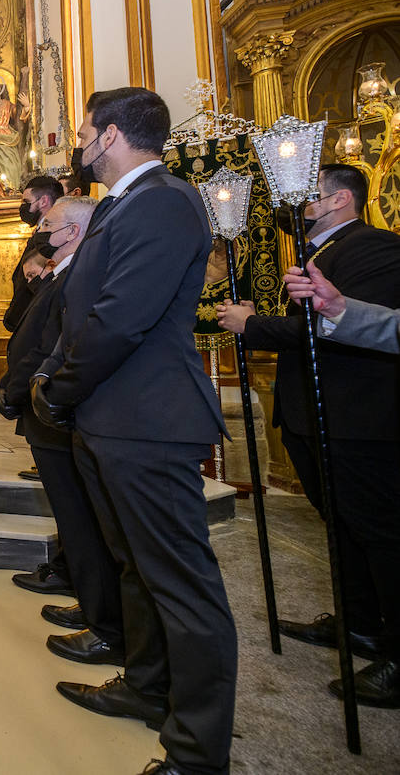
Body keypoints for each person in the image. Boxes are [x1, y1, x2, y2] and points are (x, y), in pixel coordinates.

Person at [32, 88, 236, 775]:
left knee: (181, 586)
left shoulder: (165, 202)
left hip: (146, 420)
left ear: (112, 135)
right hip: (111, 418)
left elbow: (120, 320)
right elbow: (81, 313)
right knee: (137, 569)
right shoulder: (125, 205)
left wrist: (58, 389)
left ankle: (197, 752)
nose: (79, 144)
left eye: (86, 131)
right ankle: (148, 689)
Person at [218, 164, 400, 708]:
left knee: (382, 534)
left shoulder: (375, 248)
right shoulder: (318, 255)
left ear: (340, 199)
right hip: (316, 414)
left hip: (358, 419)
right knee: (342, 526)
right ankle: (360, 622)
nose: (292, 205)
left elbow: (337, 328)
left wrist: (252, 325)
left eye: (305, 196)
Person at [0, 197, 124, 665]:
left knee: (80, 517)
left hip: (55, 409)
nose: (38, 231)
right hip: (44, 407)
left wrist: (20, 391)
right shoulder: (62, 273)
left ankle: (105, 623)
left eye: (47, 224)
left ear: (71, 232)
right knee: (74, 517)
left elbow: (55, 344)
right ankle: (91, 604)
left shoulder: (78, 276)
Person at [3, 175, 64, 334]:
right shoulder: (40, 234)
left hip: (38, 327)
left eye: (26, 201)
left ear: (43, 201)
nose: (22, 207)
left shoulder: (53, 237)